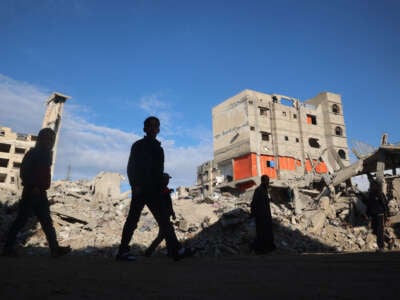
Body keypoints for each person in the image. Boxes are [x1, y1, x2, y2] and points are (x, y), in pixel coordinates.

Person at [116, 116, 191, 261]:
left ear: (158, 129)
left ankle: (176, 250)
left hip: (154, 190)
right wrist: (135, 185)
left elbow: (156, 171)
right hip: (140, 189)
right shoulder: (138, 145)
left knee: (164, 221)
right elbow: (131, 167)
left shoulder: (159, 149)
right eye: (150, 126)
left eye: (156, 126)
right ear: (144, 128)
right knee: (133, 220)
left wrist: (163, 179)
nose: (153, 128)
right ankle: (123, 251)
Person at [2, 128, 71, 257]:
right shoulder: (34, 153)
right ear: (41, 139)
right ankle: (8, 248)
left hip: (41, 192)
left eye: (52, 139)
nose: (50, 141)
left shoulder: (46, 154)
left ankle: (55, 249)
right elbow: (25, 172)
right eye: (48, 138)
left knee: (46, 222)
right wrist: (33, 186)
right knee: (21, 221)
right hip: (31, 191)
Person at [145, 172, 176, 257]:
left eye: (168, 179)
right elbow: (165, 204)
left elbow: (169, 204)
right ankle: (149, 252)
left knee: (164, 234)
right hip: (163, 216)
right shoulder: (162, 189)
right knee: (166, 233)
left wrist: (172, 213)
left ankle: (169, 252)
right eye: (167, 179)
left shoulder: (165, 189)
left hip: (165, 215)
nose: (168, 181)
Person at [250, 175, 276, 254]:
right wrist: (253, 214)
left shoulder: (264, 190)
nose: (268, 182)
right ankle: (261, 249)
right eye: (267, 180)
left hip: (266, 216)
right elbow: (254, 203)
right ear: (264, 181)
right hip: (261, 216)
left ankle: (267, 248)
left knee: (266, 232)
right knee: (262, 233)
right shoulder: (259, 190)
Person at [366, 180, 389, 252]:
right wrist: (368, 214)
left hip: (380, 215)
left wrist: (386, 216)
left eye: (373, 185)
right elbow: (369, 206)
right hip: (373, 216)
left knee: (380, 231)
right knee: (375, 231)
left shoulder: (380, 194)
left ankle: (381, 247)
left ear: (376, 186)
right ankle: (389, 240)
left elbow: (385, 205)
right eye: (371, 185)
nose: (371, 186)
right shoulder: (371, 195)